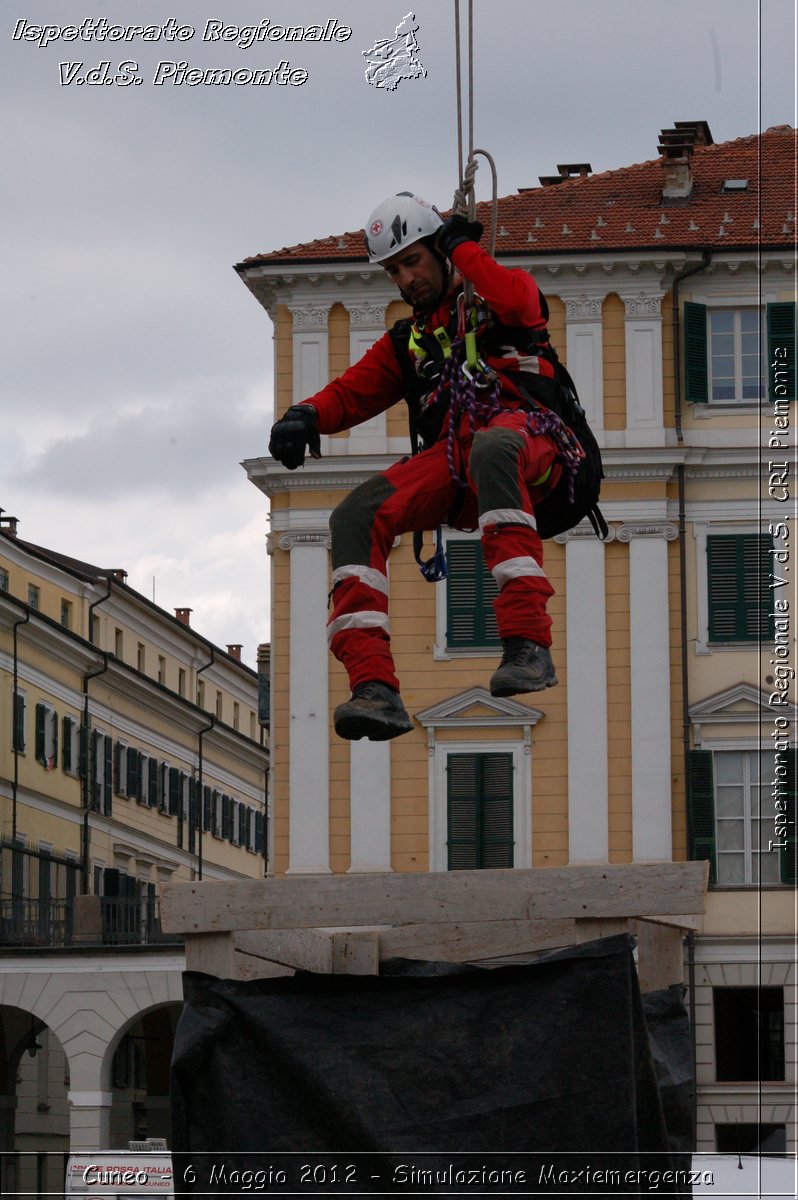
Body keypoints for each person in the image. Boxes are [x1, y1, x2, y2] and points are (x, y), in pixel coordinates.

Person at [269, 191, 572, 742]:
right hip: (458, 463)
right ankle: (374, 688)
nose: (406, 279)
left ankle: (528, 644)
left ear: (440, 251)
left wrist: (466, 250)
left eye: (413, 261)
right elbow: (354, 390)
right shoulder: (411, 340)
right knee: (356, 514)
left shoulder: (502, 298)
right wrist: (306, 415)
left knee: (493, 447)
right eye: (394, 270)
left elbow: (518, 301)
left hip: (531, 441)